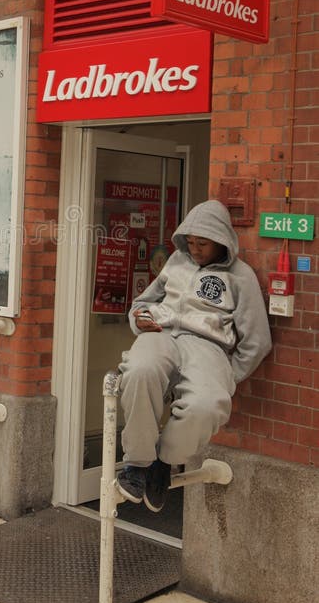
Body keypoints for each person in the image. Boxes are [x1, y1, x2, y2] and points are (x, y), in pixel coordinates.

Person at [117, 199, 272, 513]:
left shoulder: (241, 276)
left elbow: (257, 341)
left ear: (222, 241)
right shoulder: (177, 260)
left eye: (203, 243)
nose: (195, 249)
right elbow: (142, 303)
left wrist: (228, 374)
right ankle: (137, 463)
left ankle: (165, 460)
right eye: (190, 242)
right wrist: (139, 318)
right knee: (139, 371)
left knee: (208, 403)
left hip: (207, 344)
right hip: (160, 333)